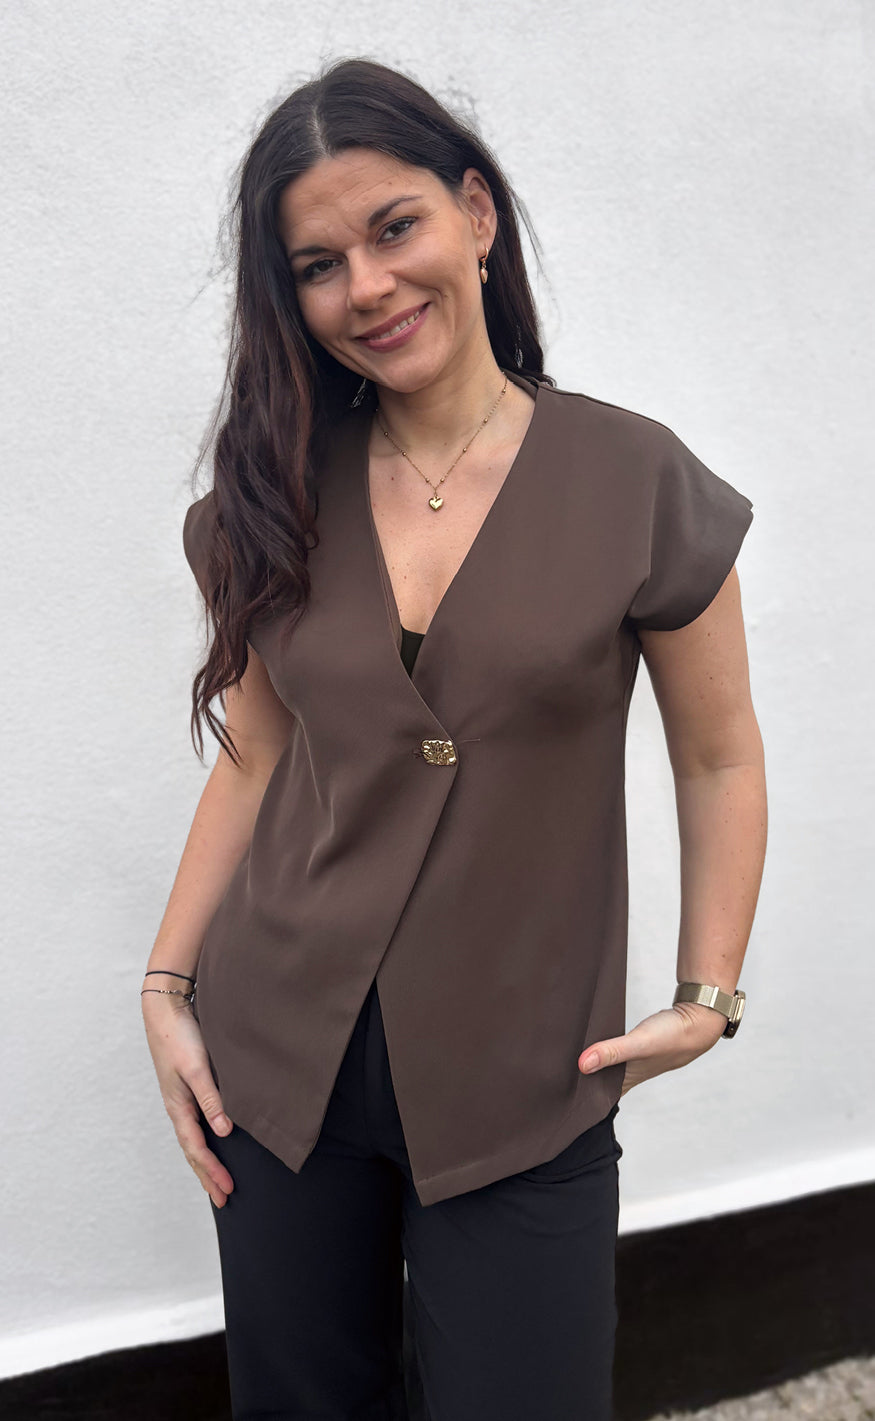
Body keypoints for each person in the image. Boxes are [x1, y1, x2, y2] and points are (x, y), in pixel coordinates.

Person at [142, 55, 767, 1421]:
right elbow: (257, 754)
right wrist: (166, 987)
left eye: (394, 228)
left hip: (526, 1072)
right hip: (281, 1063)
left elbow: (718, 754)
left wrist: (708, 994)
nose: (365, 286)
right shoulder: (272, 496)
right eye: (317, 265)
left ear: (476, 216)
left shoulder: (636, 481)